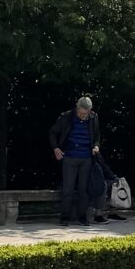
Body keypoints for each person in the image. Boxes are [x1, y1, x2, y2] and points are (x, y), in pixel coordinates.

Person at [51, 96, 104, 226]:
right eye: (80, 113)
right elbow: (52, 132)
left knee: (84, 189)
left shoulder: (93, 117)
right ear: (77, 106)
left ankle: (82, 216)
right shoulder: (66, 117)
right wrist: (56, 148)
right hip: (69, 157)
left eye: (85, 114)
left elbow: (97, 135)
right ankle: (64, 217)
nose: (82, 116)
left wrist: (96, 146)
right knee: (68, 189)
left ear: (90, 111)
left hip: (86, 158)